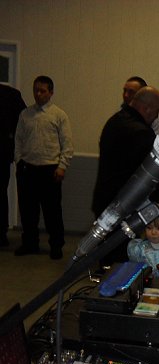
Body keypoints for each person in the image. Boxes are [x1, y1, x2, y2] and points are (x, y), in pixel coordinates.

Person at [92, 85, 159, 266]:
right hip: (123, 205)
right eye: (157, 112)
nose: (156, 117)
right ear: (147, 108)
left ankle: (106, 278)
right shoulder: (140, 131)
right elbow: (157, 161)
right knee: (120, 259)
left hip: (106, 199)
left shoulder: (116, 120)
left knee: (106, 254)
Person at [14, 75, 74, 259]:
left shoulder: (59, 115)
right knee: (28, 211)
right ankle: (29, 243)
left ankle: (56, 245)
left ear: (50, 92)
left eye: (42, 91)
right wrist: (19, 161)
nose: (38, 94)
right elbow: (18, 140)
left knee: (52, 212)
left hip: (50, 170)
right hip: (28, 169)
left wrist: (62, 166)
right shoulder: (25, 114)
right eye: (36, 90)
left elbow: (67, 144)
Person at [0, 84, 26, 246]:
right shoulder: (10, 94)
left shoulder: (10, 95)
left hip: (2, 154)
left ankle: (1, 233)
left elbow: (23, 122)